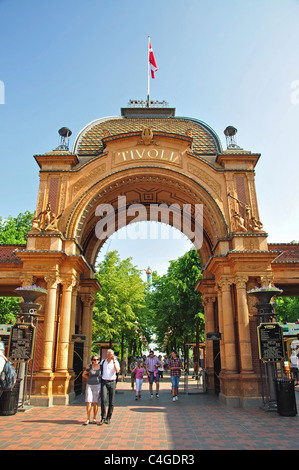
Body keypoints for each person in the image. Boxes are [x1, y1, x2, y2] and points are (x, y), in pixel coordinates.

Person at [99, 349, 120, 425]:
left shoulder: (116, 362)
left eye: (112, 354)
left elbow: (117, 371)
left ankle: (108, 417)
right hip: (104, 381)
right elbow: (99, 370)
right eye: (110, 354)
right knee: (103, 400)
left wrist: (114, 361)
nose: (111, 356)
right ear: (107, 355)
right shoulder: (103, 362)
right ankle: (103, 417)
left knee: (111, 401)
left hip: (112, 382)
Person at [82, 355, 101, 425]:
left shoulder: (101, 367)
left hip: (97, 385)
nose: (96, 361)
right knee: (89, 401)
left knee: (96, 402)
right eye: (94, 359)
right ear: (92, 360)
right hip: (89, 385)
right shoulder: (89, 367)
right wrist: (89, 378)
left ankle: (94, 418)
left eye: (97, 359)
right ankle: (88, 418)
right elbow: (83, 374)